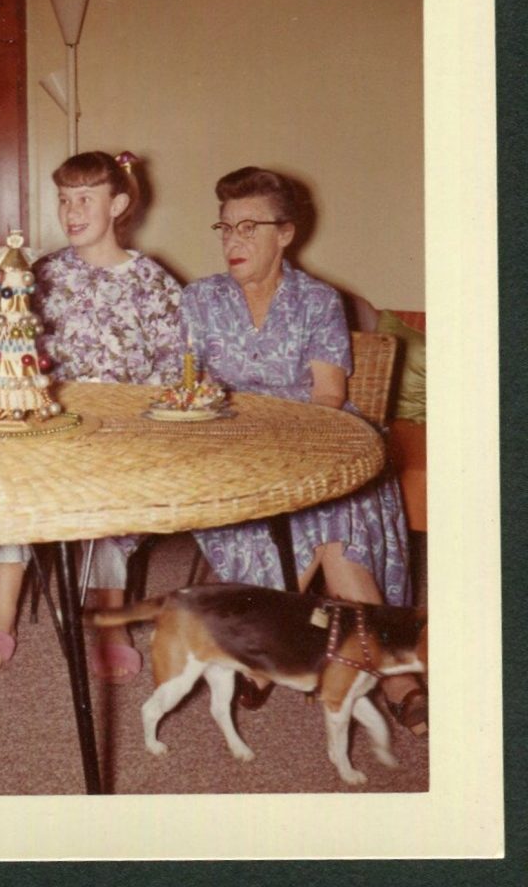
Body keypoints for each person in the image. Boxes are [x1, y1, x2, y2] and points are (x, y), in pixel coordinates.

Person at [180, 165, 426, 733]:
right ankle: (397, 674)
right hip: (232, 448)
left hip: (316, 438)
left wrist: (295, 461)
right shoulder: (200, 300)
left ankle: (266, 652)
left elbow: (329, 394)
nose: (233, 242)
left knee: (331, 506)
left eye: (249, 227)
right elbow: (189, 391)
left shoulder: (317, 300)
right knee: (325, 521)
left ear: (285, 233)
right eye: (224, 228)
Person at [0, 151, 182, 678]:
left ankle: (110, 621)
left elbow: (174, 367)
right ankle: (2, 614)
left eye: (86, 198)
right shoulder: (42, 272)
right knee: (13, 479)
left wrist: (138, 419)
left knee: (107, 506)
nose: (71, 210)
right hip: (47, 424)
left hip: (120, 432)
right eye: (64, 198)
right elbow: (11, 342)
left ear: (119, 204)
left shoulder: (152, 282)